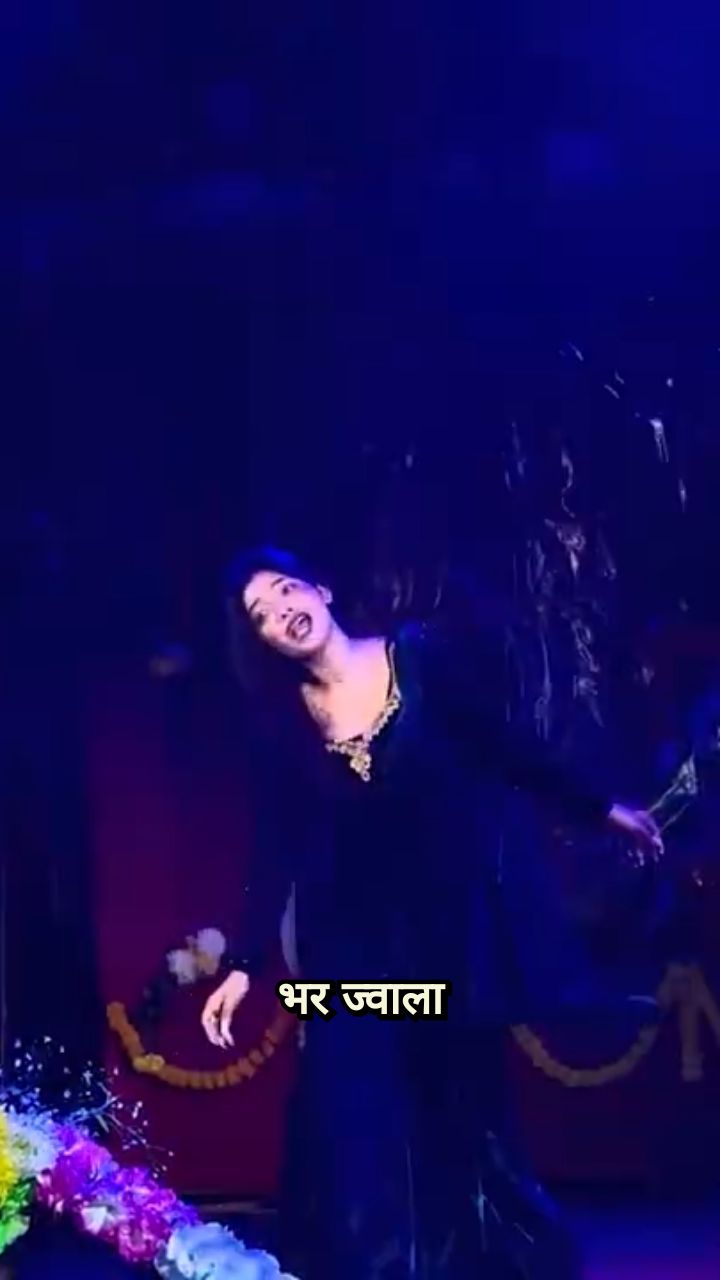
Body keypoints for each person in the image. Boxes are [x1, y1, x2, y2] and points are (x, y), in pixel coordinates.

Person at [201, 547, 663, 1280]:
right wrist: (241, 966)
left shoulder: (418, 660)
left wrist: (602, 809)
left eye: (286, 590)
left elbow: (506, 748)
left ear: (321, 590)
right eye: (261, 616)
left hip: (441, 940)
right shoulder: (283, 729)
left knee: (458, 1107)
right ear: (261, 642)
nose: (283, 612)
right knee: (356, 1114)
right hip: (346, 953)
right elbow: (275, 852)